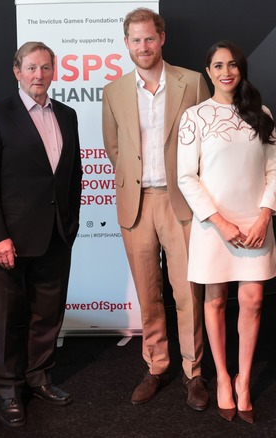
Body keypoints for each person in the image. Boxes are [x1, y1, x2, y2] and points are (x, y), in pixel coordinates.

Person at [101, 7, 211, 411]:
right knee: (149, 294)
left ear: (161, 38)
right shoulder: (113, 91)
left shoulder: (193, 83)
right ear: (126, 44)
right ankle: (156, 364)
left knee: (187, 293)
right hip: (137, 205)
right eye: (135, 40)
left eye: (149, 38)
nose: (143, 46)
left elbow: (206, 144)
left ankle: (193, 372)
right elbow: (115, 149)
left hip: (180, 201)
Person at [0, 41, 82, 428]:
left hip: (55, 235)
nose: (39, 75)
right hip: (8, 241)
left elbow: (73, 176)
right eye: (31, 68)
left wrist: (71, 225)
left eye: (46, 68)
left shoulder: (67, 115)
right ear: (17, 71)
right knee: (2, 319)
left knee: (47, 314)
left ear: (55, 72)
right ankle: (7, 389)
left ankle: (38, 377)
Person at [177, 40, 276, 424]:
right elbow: (186, 177)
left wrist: (264, 216)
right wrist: (219, 221)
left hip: (255, 224)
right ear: (208, 71)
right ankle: (222, 377)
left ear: (241, 70)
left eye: (233, 65)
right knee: (216, 301)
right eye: (218, 65)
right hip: (214, 226)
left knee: (252, 301)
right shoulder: (195, 117)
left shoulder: (261, 113)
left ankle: (244, 381)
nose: (226, 72)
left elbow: (275, 170)